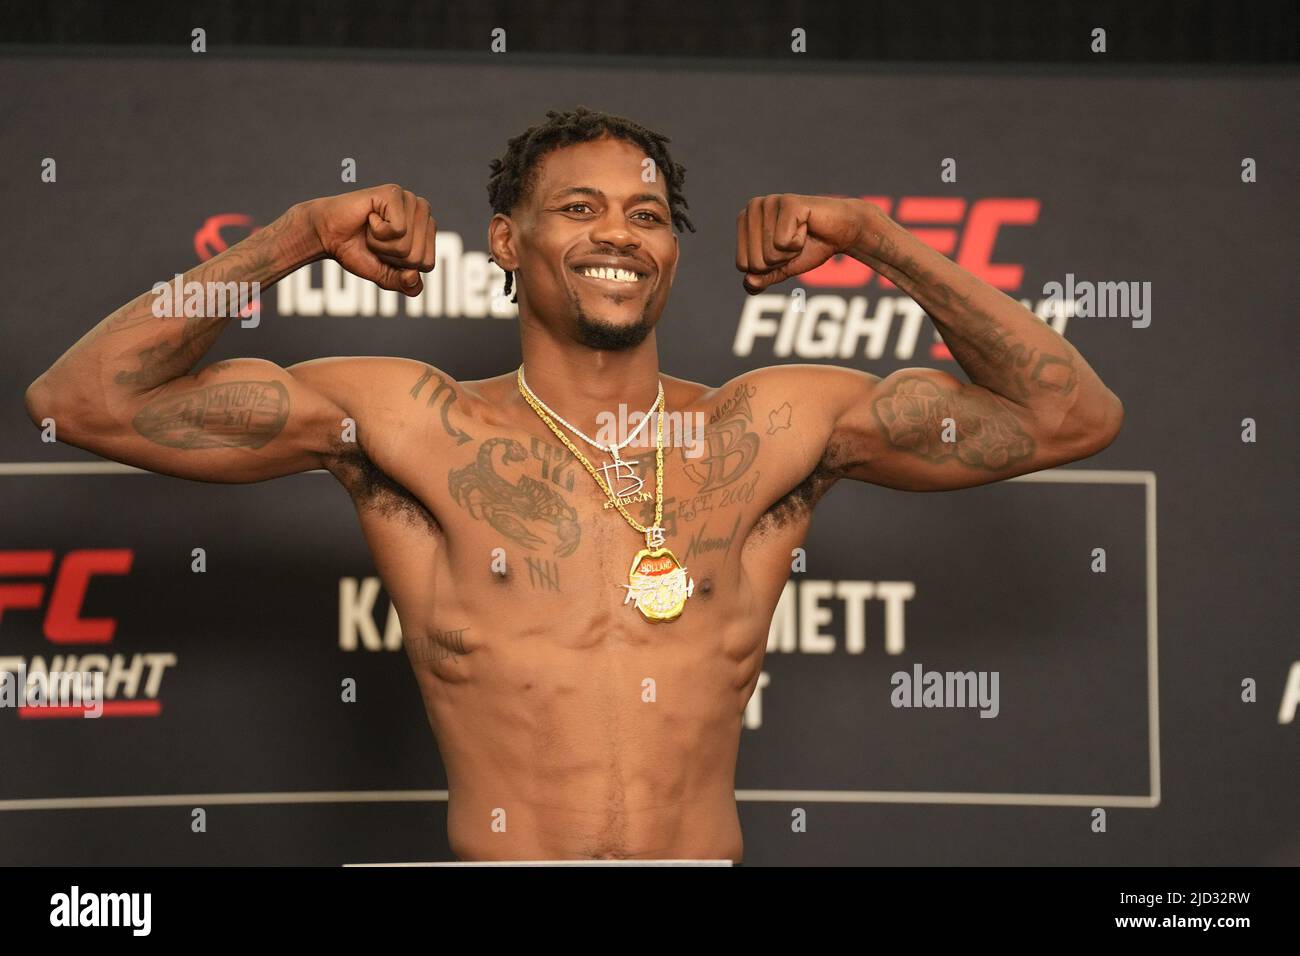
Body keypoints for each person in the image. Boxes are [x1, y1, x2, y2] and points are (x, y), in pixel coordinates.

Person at [25, 107, 1122, 863]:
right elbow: (82, 401)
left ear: (672, 253)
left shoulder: (768, 427)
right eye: (579, 208)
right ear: (506, 239)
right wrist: (294, 238)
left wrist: (881, 238)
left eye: (645, 216)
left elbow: (1069, 415)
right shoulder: (415, 424)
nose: (618, 235)